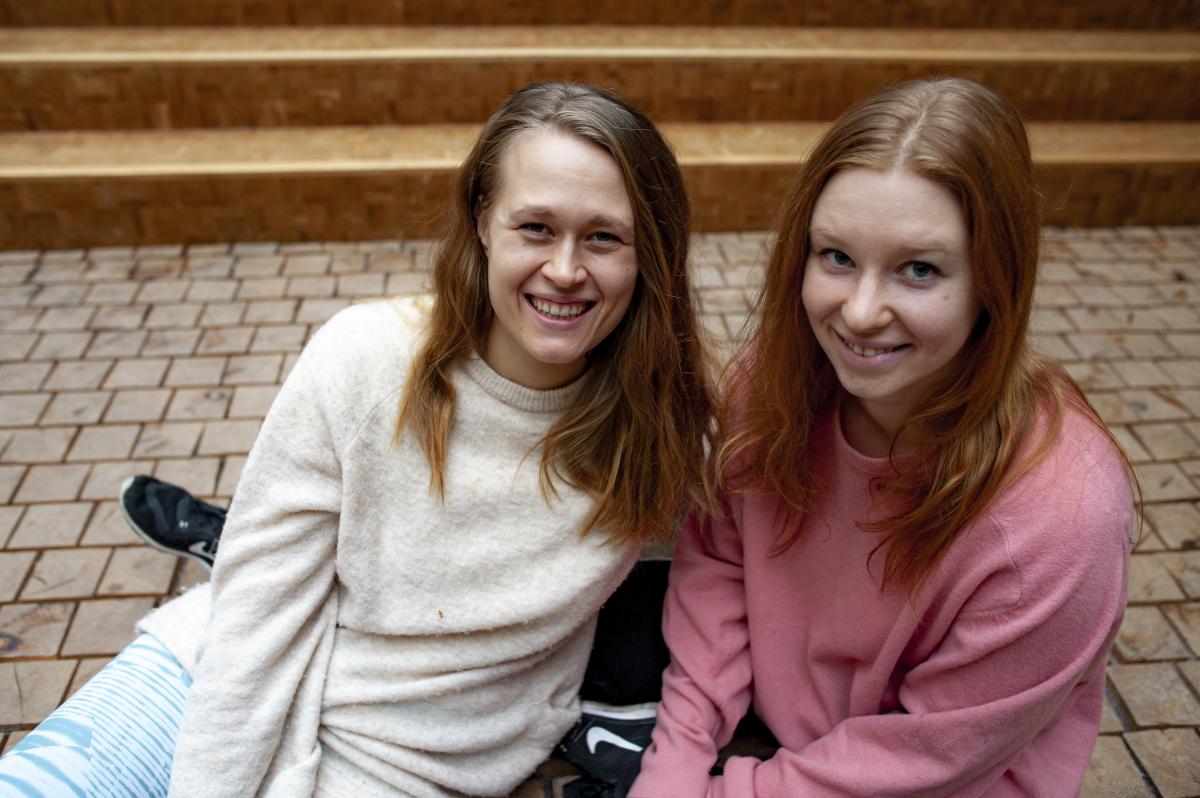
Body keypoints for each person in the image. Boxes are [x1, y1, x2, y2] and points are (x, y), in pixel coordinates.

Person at [0, 81, 714, 798]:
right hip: (208, 678)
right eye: (535, 227)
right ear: (482, 223)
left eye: (603, 237)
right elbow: (257, 613)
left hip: (401, 762)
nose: (564, 269)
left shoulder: (657, 425)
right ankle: (224, 537)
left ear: (647, 251)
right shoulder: (364, 360)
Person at [628, 77, 1136, 797]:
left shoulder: (1059, 521)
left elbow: (925, 759)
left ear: (996, 282)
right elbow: (720, 558)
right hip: (774, 737)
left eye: (919, 270)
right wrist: (676, 762)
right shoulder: (772, 384)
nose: (859, 315)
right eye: (836, 256)